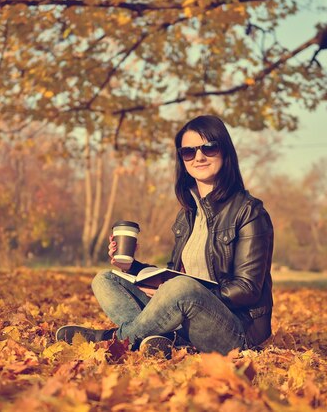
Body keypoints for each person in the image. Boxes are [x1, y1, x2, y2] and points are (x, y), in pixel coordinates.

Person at [57, 115, 274, 357]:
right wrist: (132, 267)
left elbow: (247, 289)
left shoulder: (249, 211)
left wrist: (188, 289)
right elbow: (175, 274)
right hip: (187, 316)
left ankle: (110, 339)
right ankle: (160, 340)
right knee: (106, 279)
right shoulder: (189, 214)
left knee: (180, 287)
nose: (199, 157)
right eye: (189, 152)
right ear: (182, 160)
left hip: (236, 331)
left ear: (225, 152)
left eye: (209, 148)